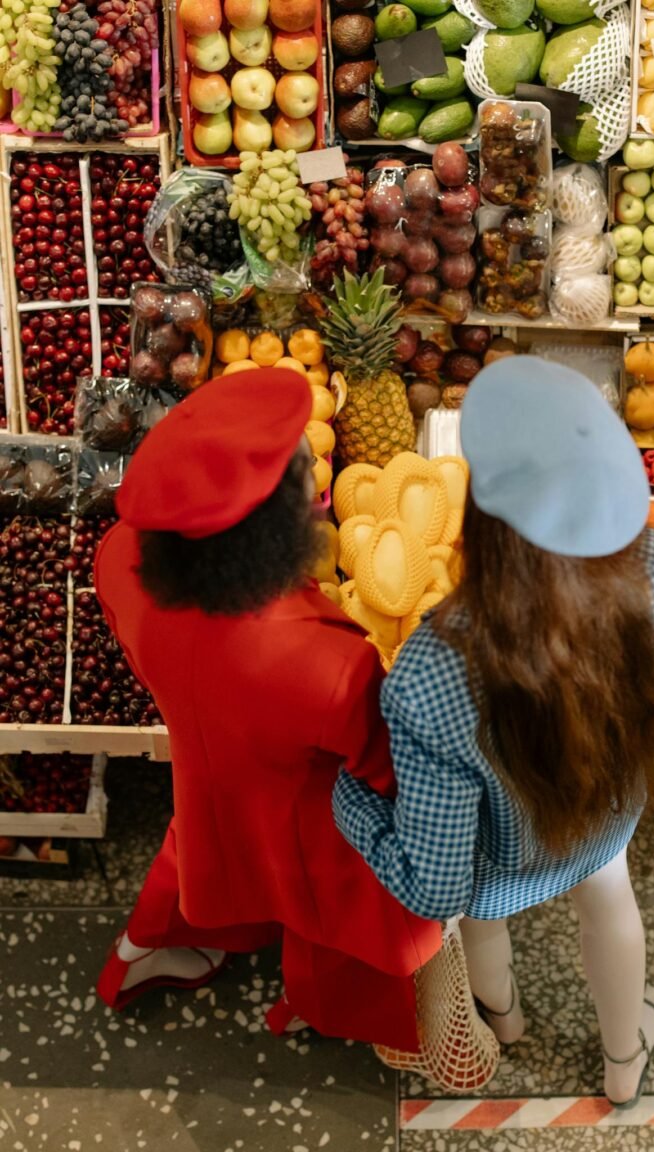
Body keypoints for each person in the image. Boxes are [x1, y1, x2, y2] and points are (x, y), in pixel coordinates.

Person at [333, 356, 654, 1108]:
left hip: (493, 869)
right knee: (611, 904)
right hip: (603, 823)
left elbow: (434, 883)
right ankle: (623, 1059)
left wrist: (346, 798)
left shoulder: (431, 675)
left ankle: (503, 1020)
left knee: (482, 919)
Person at [94, 368, 442, 1049]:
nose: (317, 468)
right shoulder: (327, 661)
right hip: (307, 815)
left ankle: (149, 951)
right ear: (267, 532)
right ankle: (323, 1007)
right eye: (303, 472)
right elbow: (384, 770)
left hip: (205, 762)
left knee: (202, 849)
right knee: (335, 912)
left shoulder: (121, 559)